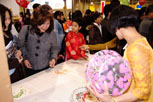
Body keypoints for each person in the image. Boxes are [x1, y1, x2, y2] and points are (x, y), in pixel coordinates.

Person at [88, 5, 153, 102]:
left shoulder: (137, 49)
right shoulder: (137, 42)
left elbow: (143, 90)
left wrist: (113, 100)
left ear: (117, 26)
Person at [17, 10, 58, 76]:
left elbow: (54, 48)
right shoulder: (26, 30)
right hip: (29, 67)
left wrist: (53, 58)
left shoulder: (52, 33)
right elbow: (20, 45)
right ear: (36, 22)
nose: (45, 27)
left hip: (46, 67)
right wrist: (25, 58)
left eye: (48, 23)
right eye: (42, 23)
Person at [0, 4, 23, 83]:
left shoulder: (7, 32)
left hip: (14, 71)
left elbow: (13, 46)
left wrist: (18, 51)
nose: (8, 22)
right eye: (5, 19)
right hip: (5, 77)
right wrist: (16, 61)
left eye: (9, 18)